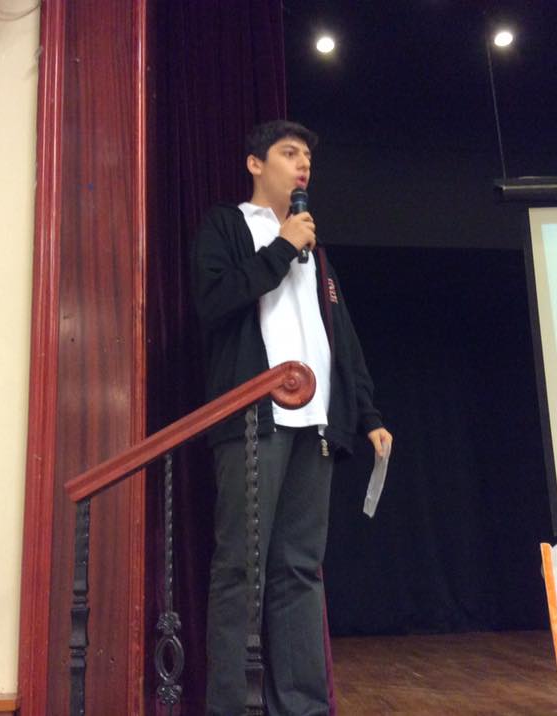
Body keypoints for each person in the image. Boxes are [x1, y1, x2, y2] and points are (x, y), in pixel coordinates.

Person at [192, 119, 392, 715]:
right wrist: (281, 246)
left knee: (300, 569)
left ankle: (303, 706)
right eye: (288, 153)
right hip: (254, 422)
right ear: (255, 164)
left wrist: (367, 413)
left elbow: (340, 339)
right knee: (240, 570)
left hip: (317, 426)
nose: (303, 164)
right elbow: (213, 300)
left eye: (307, 156)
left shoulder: (315, 251)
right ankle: (231, 706)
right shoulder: (227, 226)